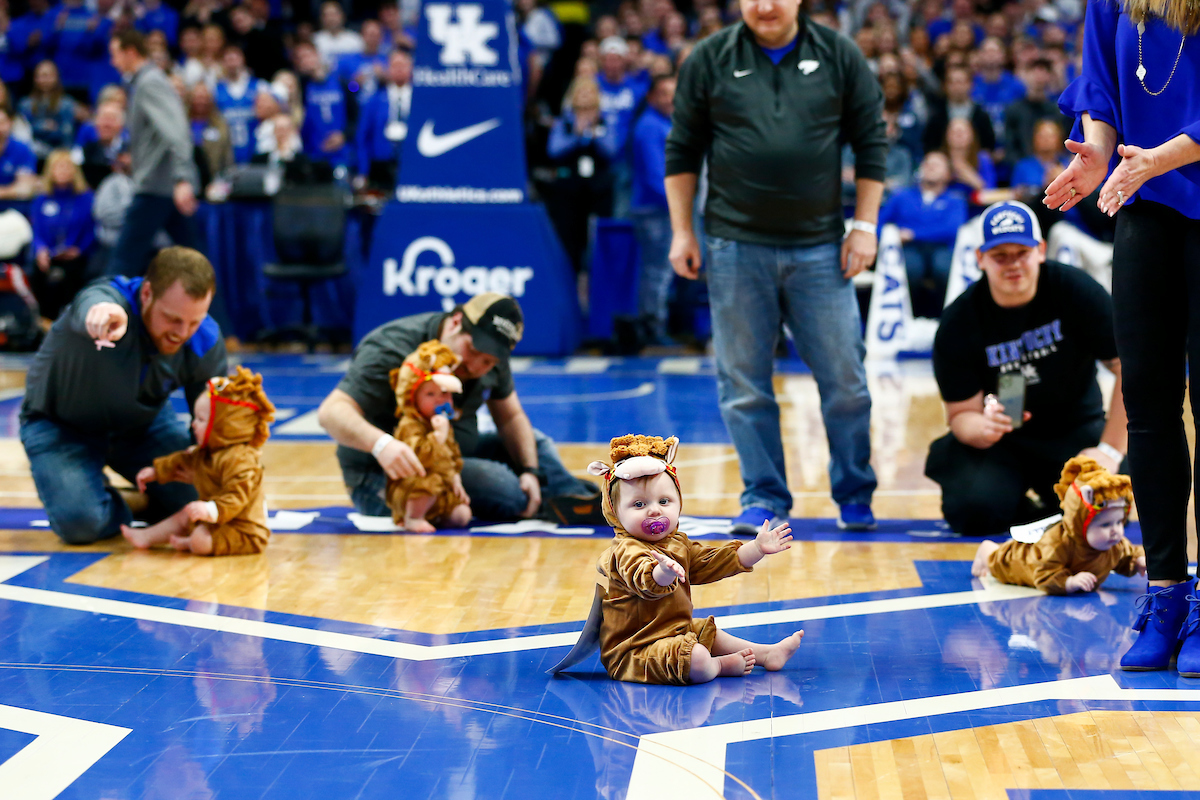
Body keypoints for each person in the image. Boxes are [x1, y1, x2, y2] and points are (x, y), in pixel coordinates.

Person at [665, 0, 887, 533]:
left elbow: (871, 141)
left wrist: (865, 226)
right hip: (735, 246)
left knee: (847, 381)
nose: (765, 5)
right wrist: (681, 230)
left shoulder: (839, 54)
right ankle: (763, 494)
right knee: (743, 384)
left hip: (820, 248)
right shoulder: (710, 58)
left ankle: (855, 488)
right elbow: (683, 149)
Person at [1042, 0, 1200, 675]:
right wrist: (1095, 156)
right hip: (1143, 210)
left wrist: (1154, 159)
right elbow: (1102, 92)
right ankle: (1165, 594)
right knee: (1150, 412)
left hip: (1178, 183)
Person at [925, 201, 1127, 536]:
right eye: (1000, 256)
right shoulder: (959, 321)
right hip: (1005, 442)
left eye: (1022, 252)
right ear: (980, 259)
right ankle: (1032, 511)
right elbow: (961, 415)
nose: (1013, 264)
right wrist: (981, 427)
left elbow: (1128, 369)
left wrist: (1108, 450)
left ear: (1041, 250)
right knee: (972, 510)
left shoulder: (1076, 290)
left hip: (1076, 431)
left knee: (1110, 501)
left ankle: (1058, 508)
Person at [316, 293, 603, 524]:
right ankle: (546, 499)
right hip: (387, 476)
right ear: (455, 322)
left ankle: (579, 500)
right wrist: (382, 445)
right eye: (474, 352)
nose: (477, 366)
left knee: (534, 443)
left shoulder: (490, 352)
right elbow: (330, 412)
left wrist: (530, 471)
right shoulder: (392, 347)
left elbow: (511, 417)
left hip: (451, 454)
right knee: (503, 487)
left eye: (489, 362)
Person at [19, 246, 226, 544]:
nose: (182, 333)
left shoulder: (205, 339)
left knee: (207, 499)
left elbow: (212, 418)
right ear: (146, 294)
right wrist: (101, 314)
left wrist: (205, 463)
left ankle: (136, 500)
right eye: (172, 319)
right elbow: (92, 302)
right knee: (82, 523)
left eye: (194, 321)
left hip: (141, 425)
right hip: (59, 426)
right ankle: (124, 503)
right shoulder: (109, 303)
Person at [583, 434, 804, 684]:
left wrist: (756, 548)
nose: (654, 510)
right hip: (636, 652)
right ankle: (718, 665)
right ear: (614, 512)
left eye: (664, 501)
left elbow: (713, 562)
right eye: (638, 504)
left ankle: (767, 653)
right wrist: (663, 573)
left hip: (674, 633)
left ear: (679, 503)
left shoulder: (678, 543)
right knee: (695, 656)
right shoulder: (625, 550)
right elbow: (644, 578)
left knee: (705, 632)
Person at [124, 366, 274, 555]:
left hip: (244, 530)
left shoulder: (241, 459)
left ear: (225, 426)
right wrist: (156, 471)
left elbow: (237, 496)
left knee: (200, 538)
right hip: (218, 521)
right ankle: (146, 536)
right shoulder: (208, 452)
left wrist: (211, 510)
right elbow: (183, 461)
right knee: (185, 515)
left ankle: (189, 542)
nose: (193, 424)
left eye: (201, 420)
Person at [972, 456, 1146, 594]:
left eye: (1119, 522)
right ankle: (986, 550)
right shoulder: (1058, 543)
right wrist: (1068, 582)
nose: (1116, 531)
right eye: (1105, 525)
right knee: (1001, 561)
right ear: (1080, 523)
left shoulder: (1114, 544)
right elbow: (1042, 573)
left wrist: (1138, 561)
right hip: (1026, 563)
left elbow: (1126, 557)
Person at [107, 29, 200, 277]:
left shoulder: (150, 83)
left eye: (115, 54)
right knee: (195, 266)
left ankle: (103, 312)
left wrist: (183, 178)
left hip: (156, 187)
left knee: (122, 262)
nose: (112, 62)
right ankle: (214, 314)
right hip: (162, 185)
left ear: (130, 52)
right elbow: (158, 135)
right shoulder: (146, 81)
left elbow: (177, 131)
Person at [384, 340, 472, 532]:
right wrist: (437, 438)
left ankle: (436, 515)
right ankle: (412, 517)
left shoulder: (442, 424)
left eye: (445, 394)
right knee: (430, 481)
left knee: (462, 515)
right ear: (412, 398)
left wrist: (455, 477)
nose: (440, 400)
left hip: (440, 489)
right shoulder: (410, 425)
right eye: (430, 394)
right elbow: (419, 456)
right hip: (411, 487)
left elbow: (452, 455)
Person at [878, 151, 967, 318]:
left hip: (941, 247)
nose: (930, 167)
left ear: (948, 174)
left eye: (937, 164)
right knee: (910, 269)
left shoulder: (955, 199)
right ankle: (906, 320)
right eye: (927, 163)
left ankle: (947, 318)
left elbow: (952, 228)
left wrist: (913, 233)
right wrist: (891, 235)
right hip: (908, 248)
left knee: (943, 267)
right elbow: (878, 223)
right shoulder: (901, 196)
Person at [630, 73, 676, 346]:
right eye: (664, 93)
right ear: (651, 97)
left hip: (662, 209)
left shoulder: (666, 123)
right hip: (654, 210)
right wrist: (680, 202)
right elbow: (655, 176)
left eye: (673, 93)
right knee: (657, 270)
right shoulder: (649, 126)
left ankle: (655, 322)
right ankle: (652, 326)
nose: (670, 99)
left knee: (659, 270)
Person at [30, 150, 95, 319]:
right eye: (58, 167)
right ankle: (43, 322)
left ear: (75, 171)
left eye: (67, 167)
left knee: (71, 277)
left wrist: (79, 250)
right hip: (49, 255)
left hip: (76, 256)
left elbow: (91, 230)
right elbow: (37, 231)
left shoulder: (86, 198)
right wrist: (41, 250)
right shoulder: (41, 199)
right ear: (50, 171)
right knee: (39, 274)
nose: (62, 171)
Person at [354, 48, 411, 190]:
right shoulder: (374, 101)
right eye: (395, 65)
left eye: (403, 65)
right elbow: (362, 137)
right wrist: (363, 171)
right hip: (380, 167)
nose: (399, 70)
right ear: (388, 69)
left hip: (411, 165)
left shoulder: (421, 101)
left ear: (411, 69)